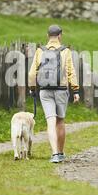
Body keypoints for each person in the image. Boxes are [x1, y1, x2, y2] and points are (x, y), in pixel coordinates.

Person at [28, 24, 80, 163]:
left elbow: (32, 73)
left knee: (50, 121)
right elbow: (71, 72)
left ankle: (54, 153)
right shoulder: (65, 51)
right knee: (60, 121)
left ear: (47, 36)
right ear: (60, 35)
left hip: (45, 91)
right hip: (61, 90)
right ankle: (61, 153)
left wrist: (32, 88)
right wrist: (75, 90)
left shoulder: (40, 51)